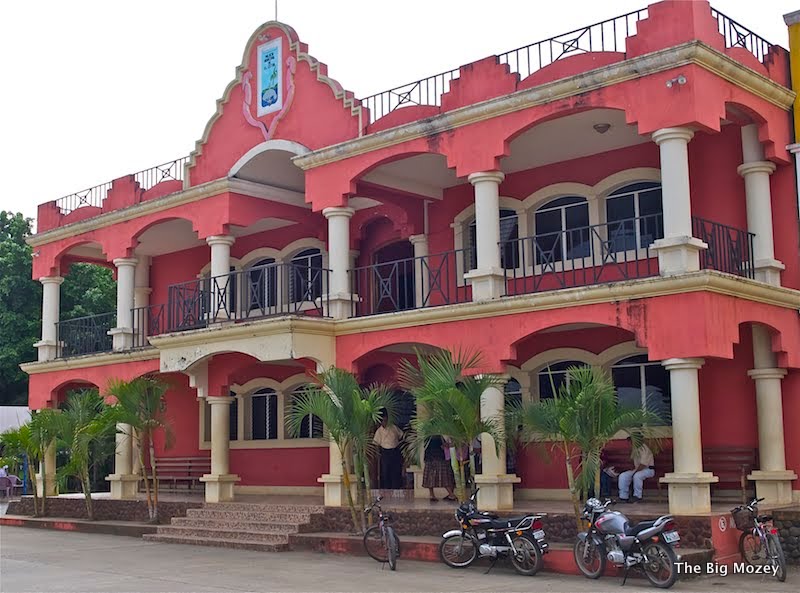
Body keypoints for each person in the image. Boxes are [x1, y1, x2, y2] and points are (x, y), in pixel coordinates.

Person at [618, 436, 655, 503]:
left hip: (648, 470)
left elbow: (643, 464)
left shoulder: (644, 448)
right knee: (623, 476)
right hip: (637, 469)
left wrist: (634, 472)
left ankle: (637, 496)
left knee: (637, 476)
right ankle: (623, 497)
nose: (631, 443)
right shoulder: (635, 449)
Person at [373, 413, 404, 489]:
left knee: (395, 469)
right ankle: (387, 488)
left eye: (386, 421)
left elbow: (401, 435)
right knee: (385, 470)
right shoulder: (379, 431)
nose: (385, 422)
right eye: (383, 421)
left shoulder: (393, 427)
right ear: (381, 422)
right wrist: (377, 454)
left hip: (395, 451)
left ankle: (396, 487)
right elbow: (376, 443)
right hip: (385, 452)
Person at [422, 435, 456, 502]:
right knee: (444, 478)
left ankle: (432, 495)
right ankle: (451, 494)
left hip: (429, 458)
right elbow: (443, 446)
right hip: (439, 458)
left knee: (430, 477)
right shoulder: (438, 437)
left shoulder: (427, 437)